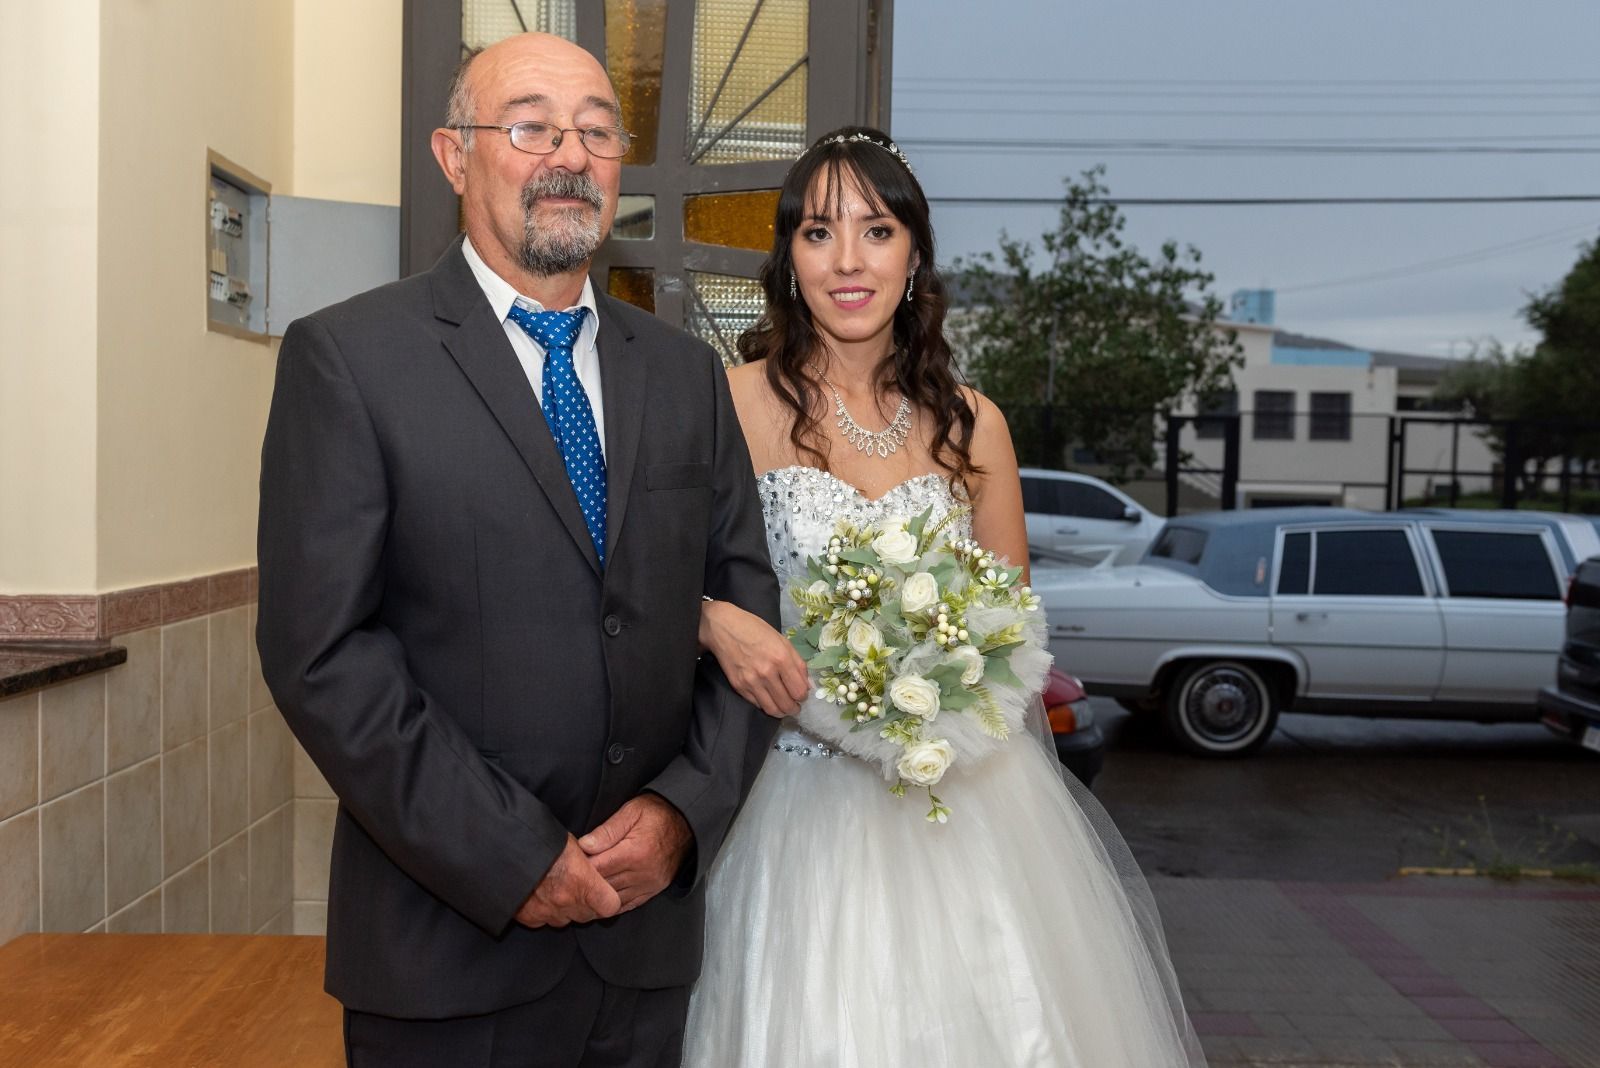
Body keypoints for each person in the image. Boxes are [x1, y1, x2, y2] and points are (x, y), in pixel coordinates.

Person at [255, 32, 779, 1068]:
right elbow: (324, 656)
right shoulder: (350, 360)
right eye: (530, 125)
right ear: (455, 157)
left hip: (643, 954)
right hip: (447, 949)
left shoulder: (684, 377)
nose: (568, 155)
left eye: (595, 129)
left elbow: (741, 610)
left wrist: (680, 815)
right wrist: (512, 855)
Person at [687, 127, 1208, 1066]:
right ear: (788, 257)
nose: (848, 260)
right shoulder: (726, 402)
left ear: (915, 251)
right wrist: (711, 618)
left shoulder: (975, 424)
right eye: (818, 232)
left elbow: (1015, 630)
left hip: (966, 811)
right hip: (783, 791)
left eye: (875, 230)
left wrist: (936, 704)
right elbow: (650, 575)